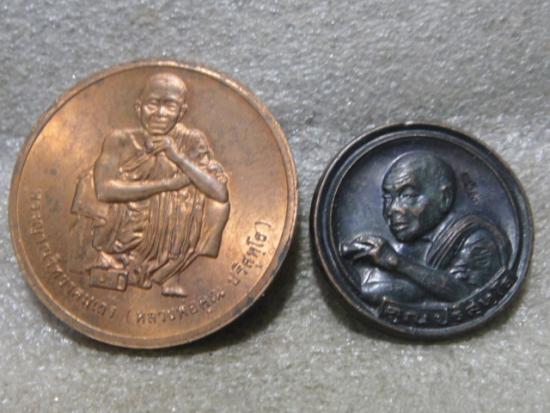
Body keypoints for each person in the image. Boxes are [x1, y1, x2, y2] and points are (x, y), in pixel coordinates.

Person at [70, 72, 229, 297]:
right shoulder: (120, 140)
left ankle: (170, 270)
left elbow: (220, 193)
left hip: (176, 223)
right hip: (126, 224)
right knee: (88, 180)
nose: (160, 113)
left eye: (169, 106)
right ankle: (120, 260)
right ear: (139, 108)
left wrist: (178, 158)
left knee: (214, 203)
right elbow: (104, 191)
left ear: (181, 112)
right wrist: (166, 185)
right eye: (153, 104)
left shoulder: (192, 141)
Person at [341, 152, 510, 304]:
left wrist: (398, 263)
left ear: (444, 198)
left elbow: (470, 296)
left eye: (408, 196)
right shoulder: (414, 241)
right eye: (387, 198)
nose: (392, 209)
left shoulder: (476, 240)